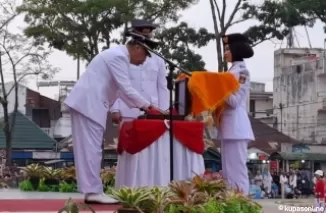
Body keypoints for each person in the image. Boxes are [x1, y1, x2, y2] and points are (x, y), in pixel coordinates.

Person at [64, 37, 165, 204]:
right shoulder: (118, 57)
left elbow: (121, 93)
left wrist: (147, 108)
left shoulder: (117, 55)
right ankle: (93, 191)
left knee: (91, 149)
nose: (144, 60)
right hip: (89, 104)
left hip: (89, 104)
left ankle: (91, 191)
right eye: (145, 55)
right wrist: (149, 107)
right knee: (91, 150)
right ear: (137, 48)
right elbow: (127, 89)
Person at [111, 19, 170, 188]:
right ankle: (126, 187)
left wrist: (164, 112)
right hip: (127, 110)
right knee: (129, 152)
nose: (146, 36)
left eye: (148, 33)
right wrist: (114, 108)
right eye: (143, 33)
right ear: (135, 34)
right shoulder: (124, 55)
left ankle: (149, 187)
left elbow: (162, 87)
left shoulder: (158, 59)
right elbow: (117, 84)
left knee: (150, 152)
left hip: (152, 113)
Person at [218, 33, 254, 195]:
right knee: (227, 172)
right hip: (228, 128)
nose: (225, 52)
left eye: (228, 49)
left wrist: (218, 87)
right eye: (225, 49)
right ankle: (232, 202)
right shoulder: (231, 70)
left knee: (237, 171)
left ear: (236, 50)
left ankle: (242, 202)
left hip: (237, 128)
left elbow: (234, 101)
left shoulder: (242, 71)